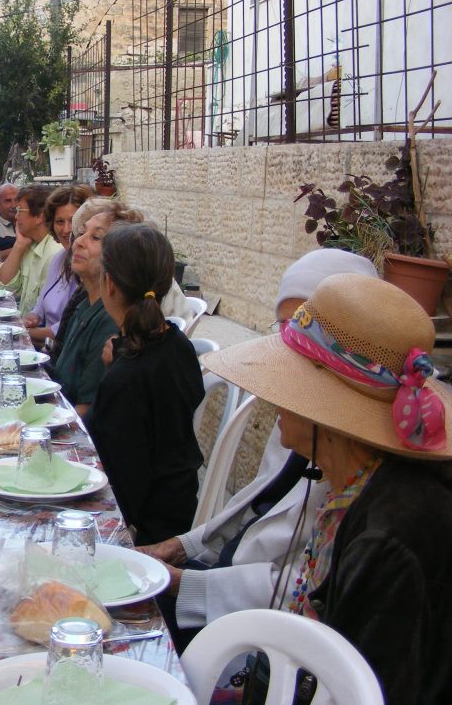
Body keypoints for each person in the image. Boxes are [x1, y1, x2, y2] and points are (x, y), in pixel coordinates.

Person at [203, 274, 452, 705]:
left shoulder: (390, 537)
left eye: (288, 384)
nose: (275, 398)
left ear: (325, 412)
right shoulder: (355, 487)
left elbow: (369, 687)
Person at [140, 248, 378, 651]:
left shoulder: (361, 480)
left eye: (305, 335)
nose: (288, 351)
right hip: (227, 581)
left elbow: (303, 592)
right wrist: (181, 547)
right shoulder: (302, 416)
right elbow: (258, 503)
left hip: (259, 635)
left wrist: (184, 585)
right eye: (285, 328)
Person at [86, 222, 204, 545]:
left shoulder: (125, 380)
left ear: (108, 283)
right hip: (180, 506)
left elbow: (118, 491)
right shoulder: (177, 344)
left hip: (144, 532)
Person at [48, 201, 121, 416]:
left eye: (95, 237)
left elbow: (85, 411)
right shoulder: (83, 304)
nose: (78, 242)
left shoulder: (110, 318)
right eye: (82, 233)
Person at [23, 184, 92, 345]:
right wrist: (32, 318)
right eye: (60, 222)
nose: (67, 229)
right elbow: (40, 306)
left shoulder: (88, 267)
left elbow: (69, 327)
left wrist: (27, 332)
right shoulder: (59, 258)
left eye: (73, 221)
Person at [0, 184, 61, 316]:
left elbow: (48, 315)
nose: (16, 217)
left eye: (20, 210)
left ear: (39, 217)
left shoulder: (55, 254)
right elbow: (3, 287)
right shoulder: (29, 245)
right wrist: (18, 246)